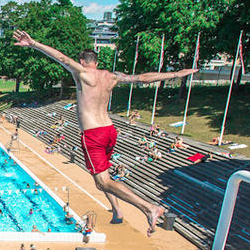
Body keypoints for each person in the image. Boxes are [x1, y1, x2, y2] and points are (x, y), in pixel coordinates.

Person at [13, 30, 196, 235]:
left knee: (103, 182)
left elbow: (61, 58)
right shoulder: (111, 76)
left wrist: (34, 43)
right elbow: (143, 78)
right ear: (97, 62)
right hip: (110, 131)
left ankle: (149, 208)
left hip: (93, 135)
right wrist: (176, 74)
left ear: (82, 61)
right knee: (103, 179)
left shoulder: (82, 73)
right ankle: (117, 210)